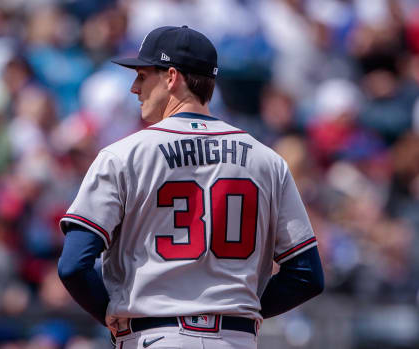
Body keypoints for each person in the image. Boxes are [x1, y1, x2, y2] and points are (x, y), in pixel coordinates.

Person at [57, 25, 324, 349]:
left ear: (171, 77)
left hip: (154, 336)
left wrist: (108, 313)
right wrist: (239, 311)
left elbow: (73, 265)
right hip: (234, 341)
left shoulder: (123, 155)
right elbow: (306, 275)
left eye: (143, 76)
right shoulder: (268, 161)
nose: (134, 88)